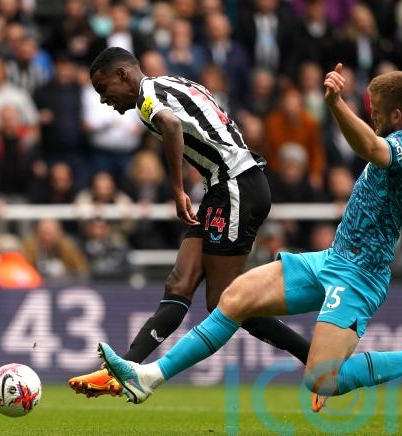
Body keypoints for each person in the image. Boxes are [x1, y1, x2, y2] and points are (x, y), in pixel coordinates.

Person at [95, 50, 402, 411]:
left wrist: (335, 104)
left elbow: (368, 146)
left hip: (361, 275)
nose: (373, 119)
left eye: (376, 113)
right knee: (234, 298)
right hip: (332, 259)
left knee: (323, 379)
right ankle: (149, 377)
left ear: (396, 115)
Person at [68, 47, 311, 397]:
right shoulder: (171, 82)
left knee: (225, 300)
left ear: (123, 75)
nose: (104, 100)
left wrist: (177, 188)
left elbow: (170, 125)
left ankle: (314, 357)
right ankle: (122, 371)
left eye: (103, 89)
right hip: (224, 187)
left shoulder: (147, 98)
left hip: (236, 187)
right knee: (179, 284)